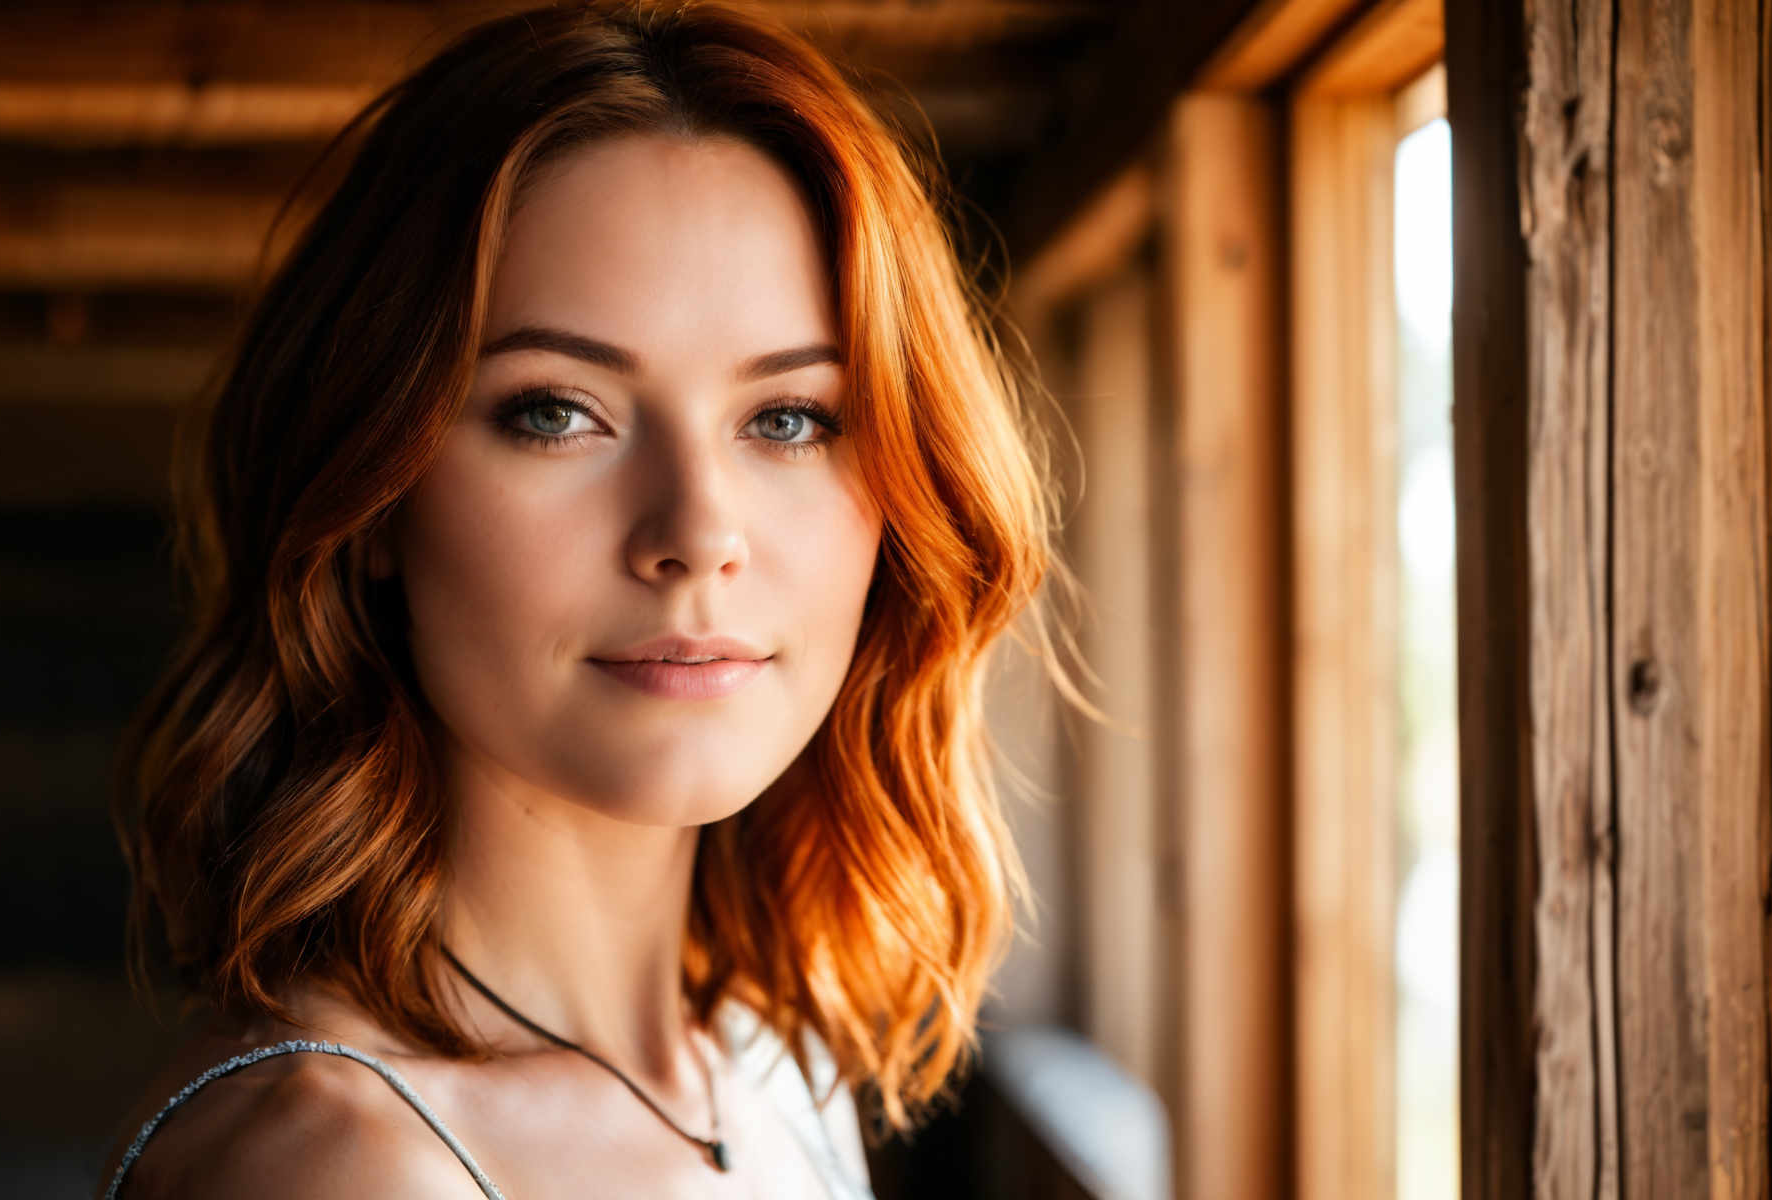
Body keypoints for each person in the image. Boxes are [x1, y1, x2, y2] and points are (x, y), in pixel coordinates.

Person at [97, 1, 1084, 1195]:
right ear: (370, 500)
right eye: (555, 410)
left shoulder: (767, 1074)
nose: (697, 535)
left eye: (787, 418)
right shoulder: (342, 1168)